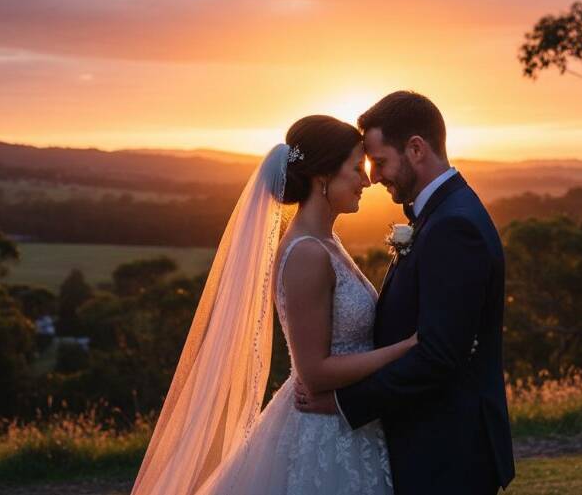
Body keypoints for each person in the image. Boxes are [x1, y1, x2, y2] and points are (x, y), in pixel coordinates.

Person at [131, 115, 414, 495]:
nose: (367, 180)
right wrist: (406, 349)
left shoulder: (326, 242)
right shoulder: (307, 254)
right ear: (322, 178)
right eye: (355, 168)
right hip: (325, 436)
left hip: (348, 422)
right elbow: (314, 372)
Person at [296, 91, 515, 494]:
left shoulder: (453, 226)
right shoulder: (442, 214)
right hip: (429, 442)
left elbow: (438, 356)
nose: (373, 177)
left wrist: (345, 404)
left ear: (415, 148)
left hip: (447, 450)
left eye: (379, 162)